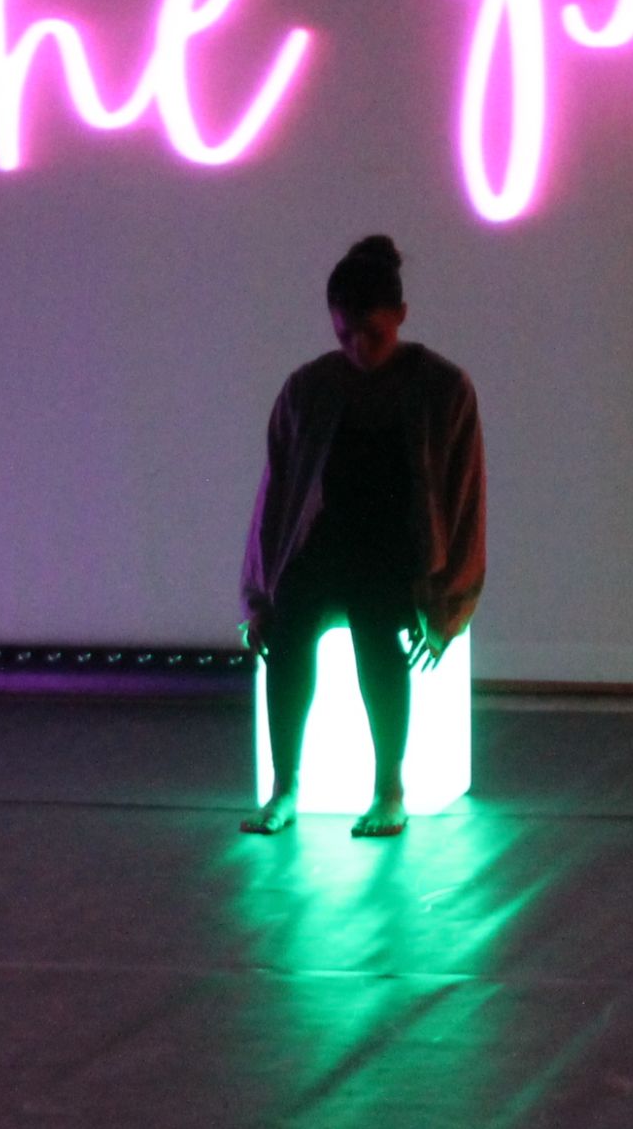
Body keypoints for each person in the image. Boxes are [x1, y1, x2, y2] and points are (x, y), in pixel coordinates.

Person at [239, 235, 485, 839]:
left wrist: (448, 603)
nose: (358, 348)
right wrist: (258, 598)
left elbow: (463, 499)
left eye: (372, 334)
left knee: (379, 628)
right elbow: (276, 498)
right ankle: (285, 785)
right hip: (326, 546)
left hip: (400, 550)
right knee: (290, 628)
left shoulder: (443, 388)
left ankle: (389, 787)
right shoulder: (308, 388)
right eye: (345, 335)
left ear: (400, 316)